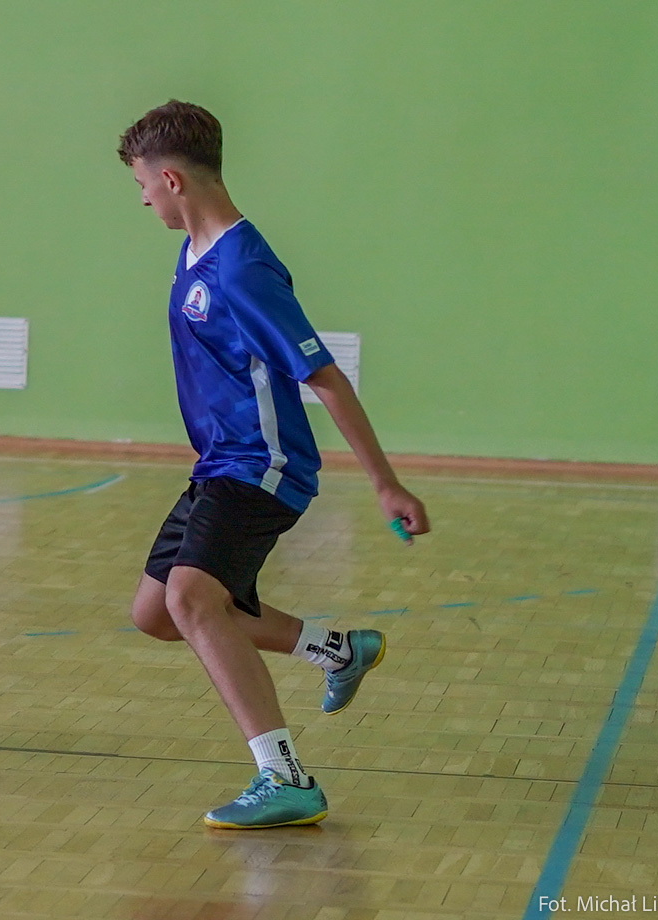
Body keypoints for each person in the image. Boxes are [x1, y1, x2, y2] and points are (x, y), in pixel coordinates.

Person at [117, 101, 430, 828]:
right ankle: (339, 651)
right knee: (156, 613)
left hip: (263, 465)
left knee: (193, 600)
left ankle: (285, 777)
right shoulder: (194, 251)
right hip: (218, 463)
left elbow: (325, 378)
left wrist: (385, 483)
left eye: (142, 185)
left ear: (171, 179)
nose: (142, 199)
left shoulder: (243, 270)